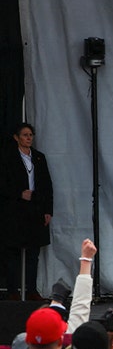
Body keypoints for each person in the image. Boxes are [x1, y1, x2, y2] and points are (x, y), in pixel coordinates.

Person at [2, 122, 54, 300]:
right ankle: (12, 291)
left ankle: (31, 289)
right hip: (15, 210)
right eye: (24, 135)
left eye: (30, 135)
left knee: (33, 253)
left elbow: (47, 186)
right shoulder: (7, 158)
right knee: (13, 253)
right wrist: (18, 194)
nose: (28, 138)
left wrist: (48, 210)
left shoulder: (39, 157)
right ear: (16, 138)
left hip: (35, 208)